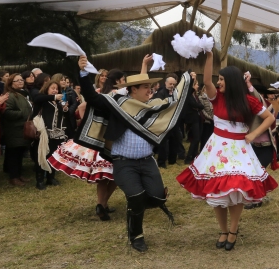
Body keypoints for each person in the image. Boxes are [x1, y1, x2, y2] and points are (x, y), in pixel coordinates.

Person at [77, 55, 187, 251]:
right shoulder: (116, 103)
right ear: (133, 90)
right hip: (123, 162)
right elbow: (93, 98)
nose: (150, 90)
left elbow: (173, 106)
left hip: (147, 161)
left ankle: (144, 208)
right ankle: (136, 235)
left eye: (150, 87)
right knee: (136, 196)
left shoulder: (151, 106)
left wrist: (186, 79)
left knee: (156, 197)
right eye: (146, 87)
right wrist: (83, 73)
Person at [177, 51, 277, 252]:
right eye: (218, 79)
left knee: (236, 191)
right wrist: (209, 58)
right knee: (217, 192)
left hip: (239, 150)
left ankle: (233, 230)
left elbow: (270, 118)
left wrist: (253, 134)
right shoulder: (216, 97)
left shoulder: (249, 101)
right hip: (217, 150)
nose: (218, 82)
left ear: (231, 81)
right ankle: (222, 230)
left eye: (222, 79)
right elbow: (206, 80)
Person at [49, 67, 128, 220]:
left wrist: (87, 123)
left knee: (104, 176)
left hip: (97, 139)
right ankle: (102, 203)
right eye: (124, 80)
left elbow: (82, 107)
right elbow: (82, 106)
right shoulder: (119, 95)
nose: (125, 84)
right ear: (118, 81)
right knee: (114, 175)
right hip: (111, 140)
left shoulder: (101, 93)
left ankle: (102, 204)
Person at [30, 80, 76, 190]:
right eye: (53, 88)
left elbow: (63, 115)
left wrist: (64, 109)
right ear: (47, 89)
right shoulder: (42, 99)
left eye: (57, 89)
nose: (55, 90)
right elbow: (37, 99)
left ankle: (51, 178)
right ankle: (40, 180)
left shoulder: (58, 102)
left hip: (58, 133)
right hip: (44, 133)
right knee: (42, 155)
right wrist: (54, 97)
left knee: (54, 155)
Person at [1, 74, 33, 187]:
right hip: (14, 129)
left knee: (19, 154)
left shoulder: (23, 94)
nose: (20, 82)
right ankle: (13, 177)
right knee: (13, 155)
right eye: (17, 80)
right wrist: (23, 114)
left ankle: (19, 175)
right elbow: (7, 112)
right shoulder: (10, 96)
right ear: (11, 83)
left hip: (22, 129)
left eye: (21, 80)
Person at [154, 73, 186, 167]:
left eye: (173, 84)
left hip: (174, 121)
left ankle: (172, 160)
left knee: (176, 139)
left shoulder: (175, 92)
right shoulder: (161, 93)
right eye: (170, 84)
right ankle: (161, 162)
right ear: (165, 83)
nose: (172, 86)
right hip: (164, 122)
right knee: (164, 143)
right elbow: (158, 106)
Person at [183, 73, 206, 164]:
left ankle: (194, 155)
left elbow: (200, 106)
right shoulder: (189, 96)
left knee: (198, 138)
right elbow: (196, 105)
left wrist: (198, 106)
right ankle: (188, 157)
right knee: (195, 138)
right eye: (196, 85)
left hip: (198, 118)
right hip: (192, 120)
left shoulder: (195, 96)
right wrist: (193, 78)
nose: (198, 86)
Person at [198, 85, 214, 150]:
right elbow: (202, 110)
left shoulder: (212, 98)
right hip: (206, 120)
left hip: (212, 119)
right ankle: (202, 149)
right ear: (204, 89)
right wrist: (209, 117)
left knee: (210, 136)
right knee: (204, 137)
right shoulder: (201, 98)